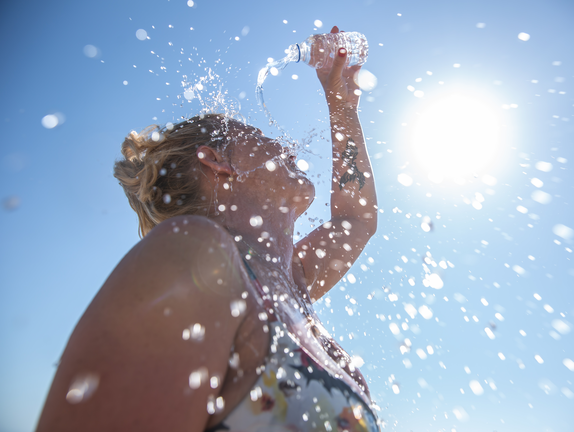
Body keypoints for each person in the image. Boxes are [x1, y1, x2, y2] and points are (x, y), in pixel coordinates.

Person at [35, 26, 379, 432]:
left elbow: (355, 220)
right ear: (216, 161)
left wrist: (341, 104)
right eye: (261, 137)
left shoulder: (290, 281)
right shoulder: (198, 259)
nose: (286, 148)